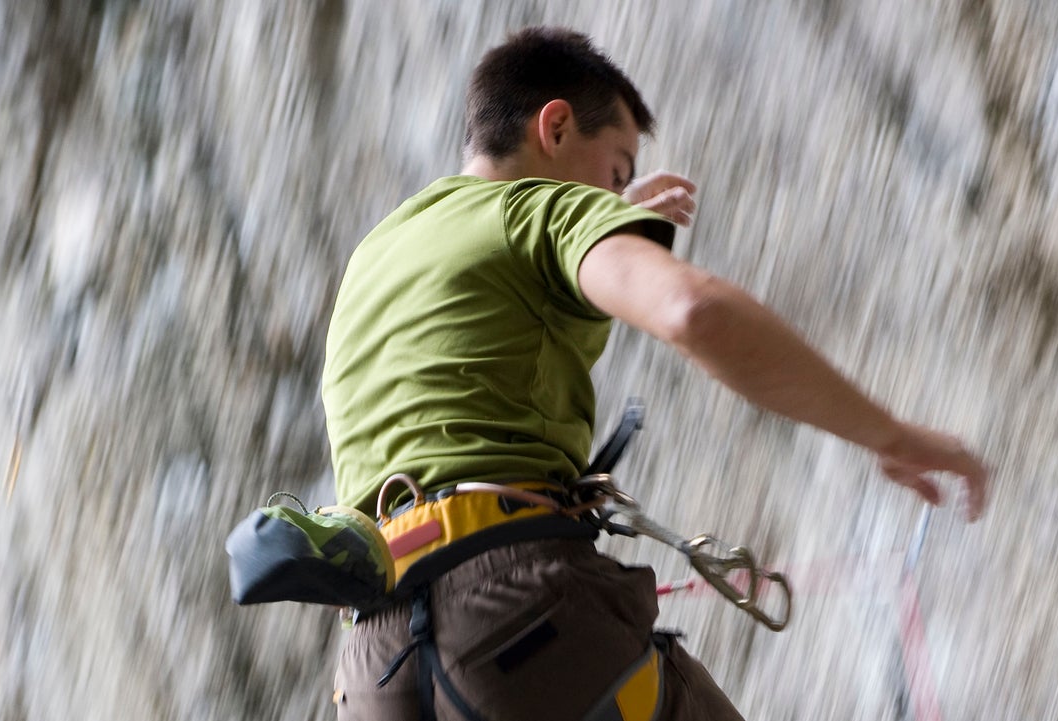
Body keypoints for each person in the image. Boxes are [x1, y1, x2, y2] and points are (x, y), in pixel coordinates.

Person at [321, 26, 988, 721]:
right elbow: (692, 309)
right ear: (554, 126)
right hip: (516, 620)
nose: (615, 196)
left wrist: (606, 217)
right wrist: (889, 433)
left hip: (377, 665)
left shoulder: (377, 258)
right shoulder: (544, 208)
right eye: (615, 170)